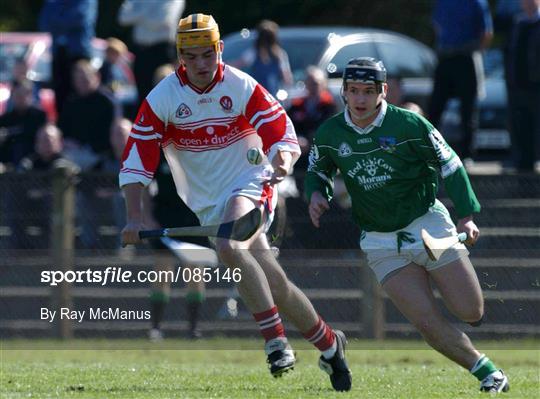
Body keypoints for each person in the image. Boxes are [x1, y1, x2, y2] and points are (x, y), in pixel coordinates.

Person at [119, 13, 351, 391]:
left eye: (206, 55)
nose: (199, 65)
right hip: (208, 202)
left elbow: (280, 132)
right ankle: (329, 343)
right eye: (190, 56)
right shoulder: (163, 97)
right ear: (180, 55)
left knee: (228, 244)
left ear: (219, 50)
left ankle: (276, 342)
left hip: (251, 180)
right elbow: (136, 160)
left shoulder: (240, 84)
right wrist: (132, 216)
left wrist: (282, 160)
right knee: (274, 282)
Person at [305, 57, 509, 394]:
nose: (359, 100)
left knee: (470, 311)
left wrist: (467, 215)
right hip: (380, 241)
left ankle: (452, 287)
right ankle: (488, 373)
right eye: (352, 91)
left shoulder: (410, 125)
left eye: (367, 92)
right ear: (342, 92)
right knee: (427, 322)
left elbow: (452, 165)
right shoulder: (330, 133)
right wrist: (316, 194)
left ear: (383, 92)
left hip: (429, 226)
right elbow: (318, 169)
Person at [427, 0, 493, 163]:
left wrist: (476, 51)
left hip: (466, 57)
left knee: (468, 109)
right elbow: (437, 25)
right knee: (435, 107)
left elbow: (487, 33)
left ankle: (467, 155)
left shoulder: (476, 2)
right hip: (445, 57)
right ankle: (429, 151)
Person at [117, 0, 185, 104]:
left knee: (165, 96)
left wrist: (138, 14)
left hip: (162, 52)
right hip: (140, 52)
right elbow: (123, 17)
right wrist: (151, 12)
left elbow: (163, 20)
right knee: (143, 99)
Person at [58, 60, 118, 171]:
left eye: (85, 79)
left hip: (100, 153)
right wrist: (66, 141)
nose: (82, 82)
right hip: (74, 150)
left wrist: (89, 147)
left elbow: (113, 133)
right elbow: (62, 128)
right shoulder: (72, 102)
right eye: (78, 80)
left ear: (96, 77)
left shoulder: (106, 101)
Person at [39, 0, 97, 115]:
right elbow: (43, 23)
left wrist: (56, 20)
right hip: (59, 54)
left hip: (79, 54)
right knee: (61, 96)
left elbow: (79, 18)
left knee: (81, 94)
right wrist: (64, 19)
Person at [506, 0, 540, 171]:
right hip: (520, 85)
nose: (527, 4)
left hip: (536, 85)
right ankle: (524, 163)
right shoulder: (518, 23)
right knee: (522, 124)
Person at [288, 66, 337, 178]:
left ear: (323, 84)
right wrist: (296, 140)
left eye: (316, 83)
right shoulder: (297, 106)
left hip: (321, 156)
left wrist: (309, 142)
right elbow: (287, 126)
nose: (313, 87)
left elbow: (329, 132)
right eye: (309, 83)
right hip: (300, 158)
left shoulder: (330, 107)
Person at [0, 80, 47, 169]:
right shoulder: (4, 120)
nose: (21, 98)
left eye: (24, 95)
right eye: (17, 95)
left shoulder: (39, 116)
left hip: (34, 160)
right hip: (8, 162)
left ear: (31, 95)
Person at [239, 20, 293, 97]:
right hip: (256, 95)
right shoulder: (253, 53)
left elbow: (287, 78)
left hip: (272, 97)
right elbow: (287, 79)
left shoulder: (279, 55)